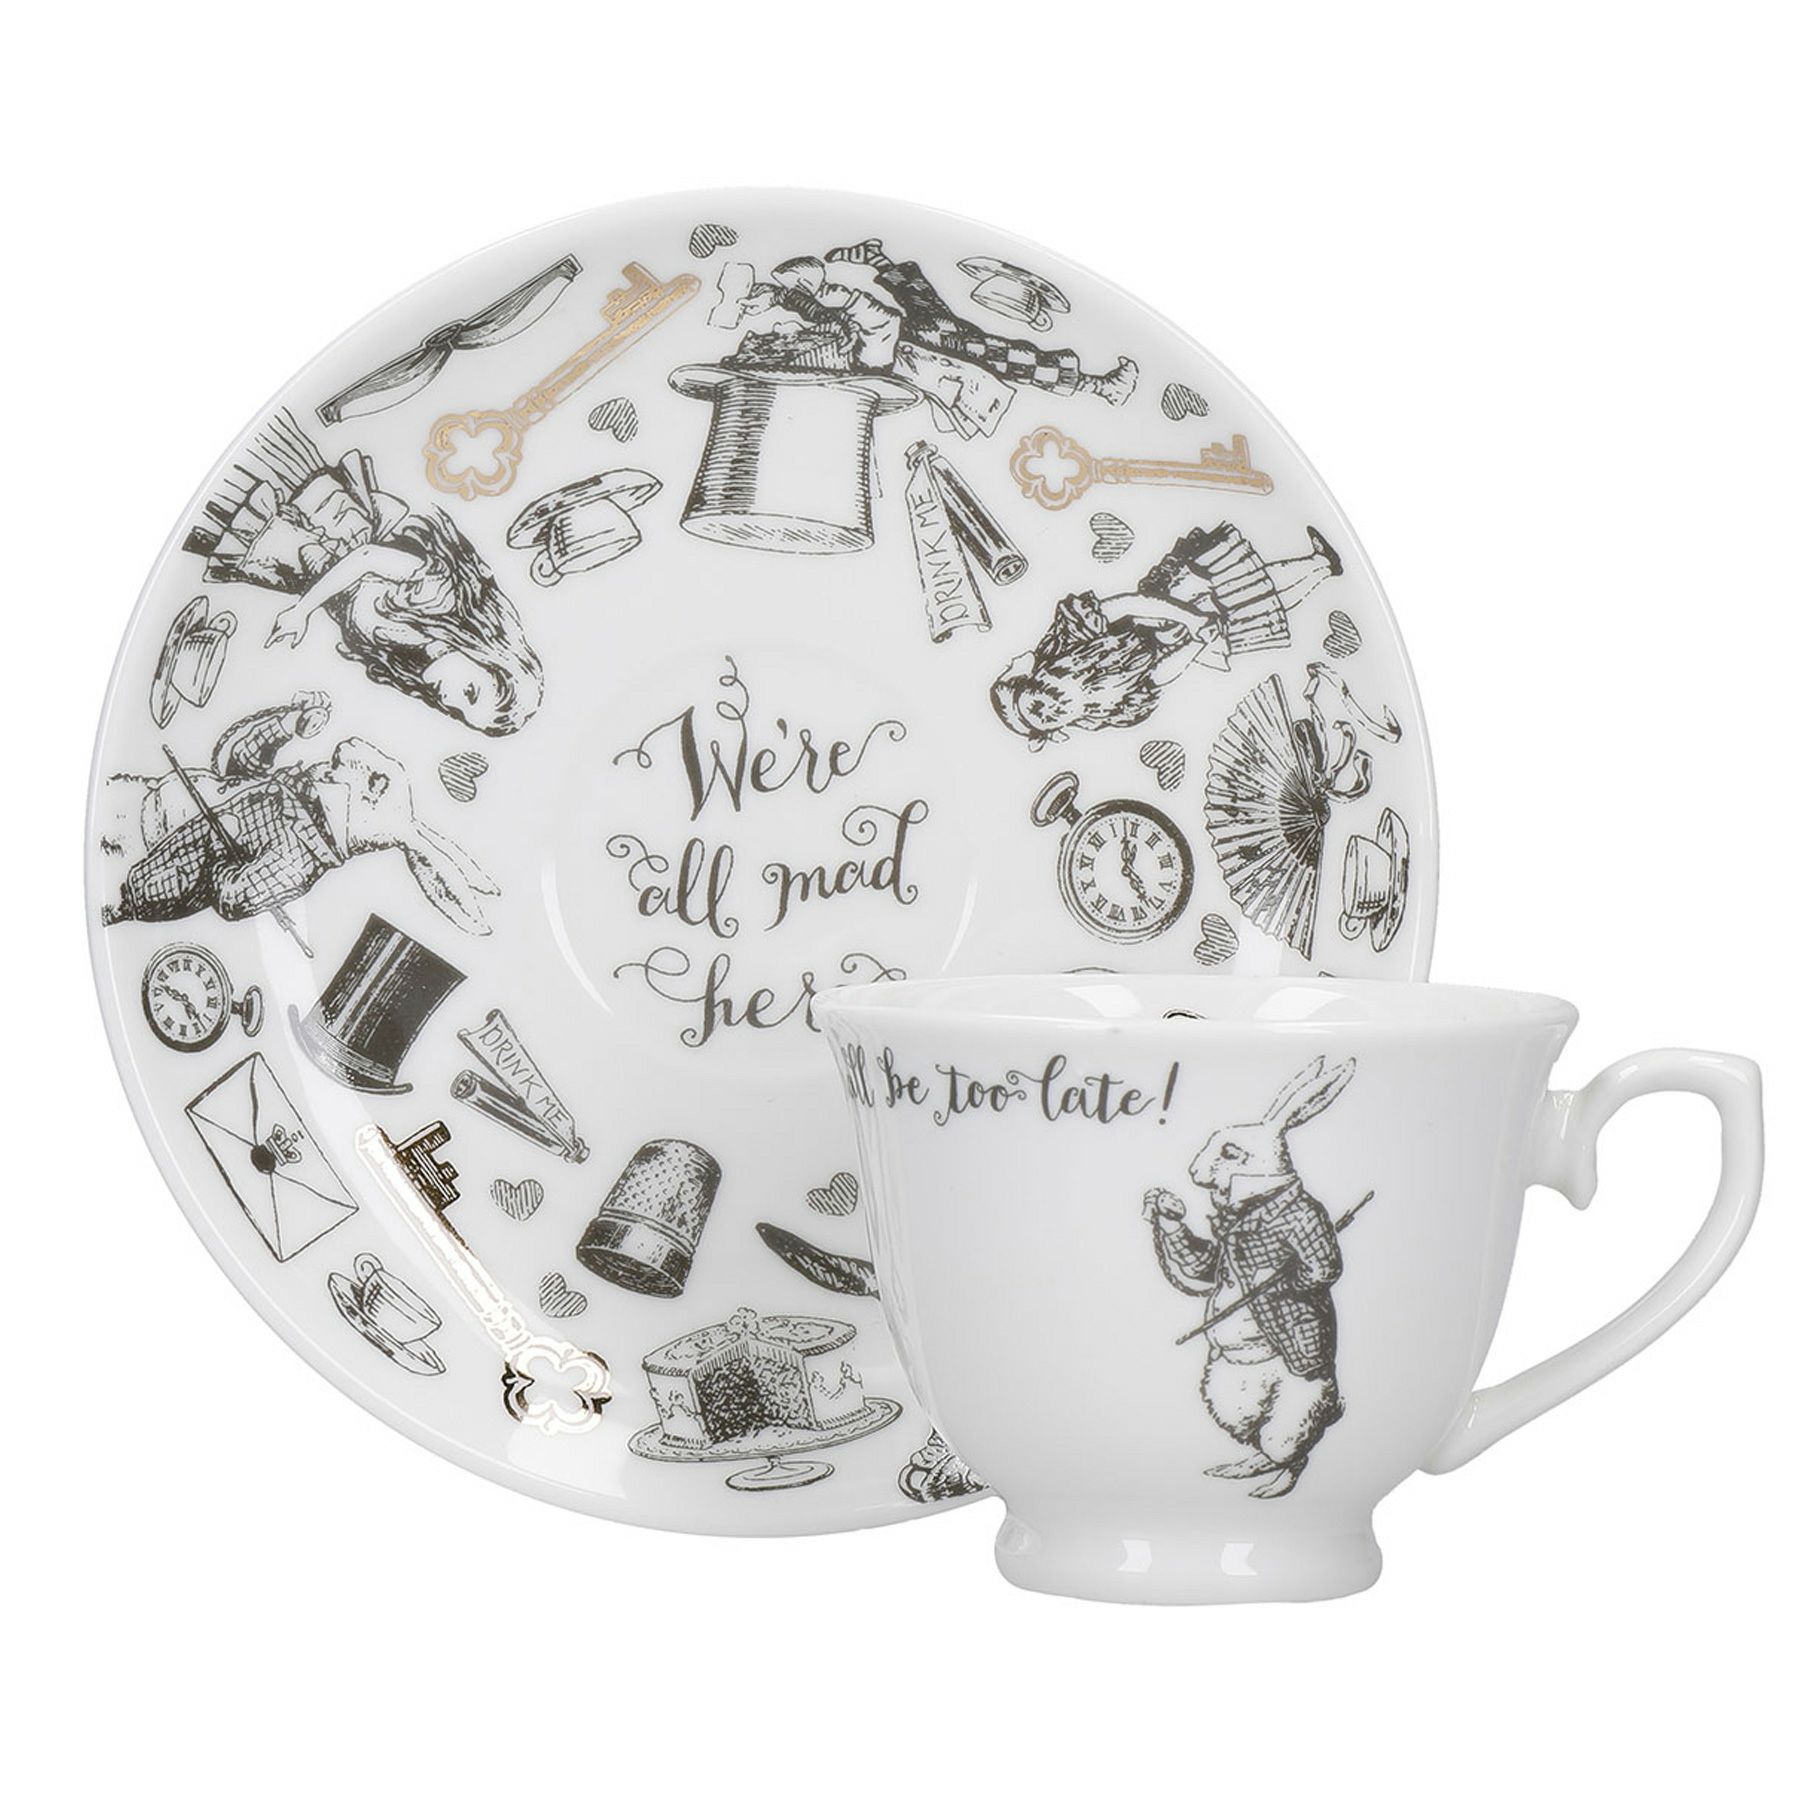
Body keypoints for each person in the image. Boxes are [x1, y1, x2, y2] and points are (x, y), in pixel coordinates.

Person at [185, 412, 542, 735]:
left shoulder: (402, 656)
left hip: (281, 553)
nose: (449, 699)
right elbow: (368, 558)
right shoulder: (440, 596)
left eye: (458, 712)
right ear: (487, 654)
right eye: (470, 692)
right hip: (307, 503)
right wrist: (302, 610)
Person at [990, 521, 1341, 747]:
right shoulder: (1103, 711)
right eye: (1043, 721)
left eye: (1035, 705)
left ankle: (1320, 563)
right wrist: (1196, 644)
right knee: (1258, 608)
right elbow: (1158, 678)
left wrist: (1190, 619)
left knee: (1246, 581)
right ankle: (1323, 569)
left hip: (1171, 599)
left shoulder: (1071, 636)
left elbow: (1131, 604)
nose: (1048, 711)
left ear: (1034, 680)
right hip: (1181, 642)